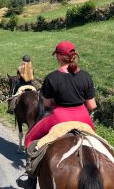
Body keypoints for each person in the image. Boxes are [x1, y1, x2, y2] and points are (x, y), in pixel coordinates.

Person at [16, 41, 97, 189]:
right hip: (83, 118)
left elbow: (47, 104)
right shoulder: (86, 76)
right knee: (98, 142)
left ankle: (31, 180)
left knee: (31, 139)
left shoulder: (52, 78)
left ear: (60, 56)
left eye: (56, 55)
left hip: (59, 117)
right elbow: (92, 105)